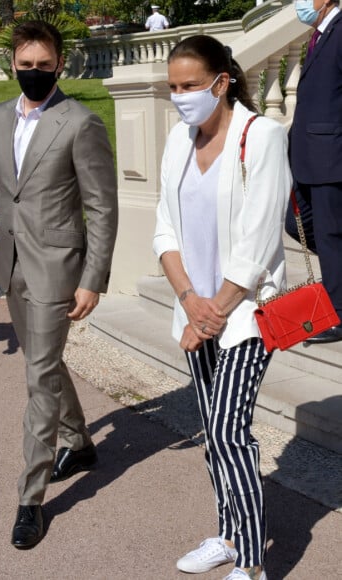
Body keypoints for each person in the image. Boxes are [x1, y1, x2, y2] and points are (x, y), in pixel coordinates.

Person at [0, 20, 118, 549]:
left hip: (58, 266)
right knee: (44, 360)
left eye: (44, 66)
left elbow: (101, 208)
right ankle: (79, 443)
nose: (34, 74)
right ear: (11, 65)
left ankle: (30, 497)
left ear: (59, 65)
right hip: (11, 265)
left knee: (39, 375)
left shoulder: (80, 122)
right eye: (25, 65)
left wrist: (93, 278)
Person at [153, 36, 291, 579]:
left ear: (222, 81)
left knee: (231, 431)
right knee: (214, 432)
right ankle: (228, 534)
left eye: (190, 86)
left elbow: (258, 243)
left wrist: (213, 312)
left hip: (246, 314)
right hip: (194, 311)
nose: (181, 96)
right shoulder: (176, 142)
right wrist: (190, 300)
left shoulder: (262, 136)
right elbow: (165, 229)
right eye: (173, 88)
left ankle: (253, 563)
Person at [286, 0, 342, 344]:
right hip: (309, 157)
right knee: (297, 224)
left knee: (330, 235)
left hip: (331, 157)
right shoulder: (319, 34)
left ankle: (338, 314)